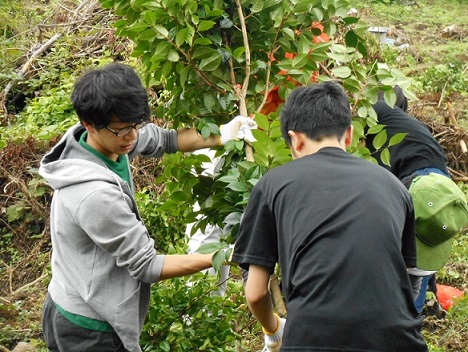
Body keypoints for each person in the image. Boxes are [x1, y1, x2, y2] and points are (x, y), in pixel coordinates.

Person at [38, 62, 256, 352]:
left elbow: (166, 139)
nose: (132, 136)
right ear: (89, 124)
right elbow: (148, 265)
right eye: (122, 130)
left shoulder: (102, 138)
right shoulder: (93, 195)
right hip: (88, 325)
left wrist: (223, 135)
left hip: (79, 295)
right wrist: (226, 255)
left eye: (135, 126)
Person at [231, 82, 428, 351]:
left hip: (313, 341)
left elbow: (255, 293)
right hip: (399, 341)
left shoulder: (273, 184)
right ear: (348, 135)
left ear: (295, 139)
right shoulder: (394, 186)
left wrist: (273, 330)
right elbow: (406, 276)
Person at [366, 86, 452, 315]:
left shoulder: (366, 117)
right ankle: (420, 304)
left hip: (419, 181)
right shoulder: (397, 120)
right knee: (424, 236)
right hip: (441, 179)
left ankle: (408, 316)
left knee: (408, 248)